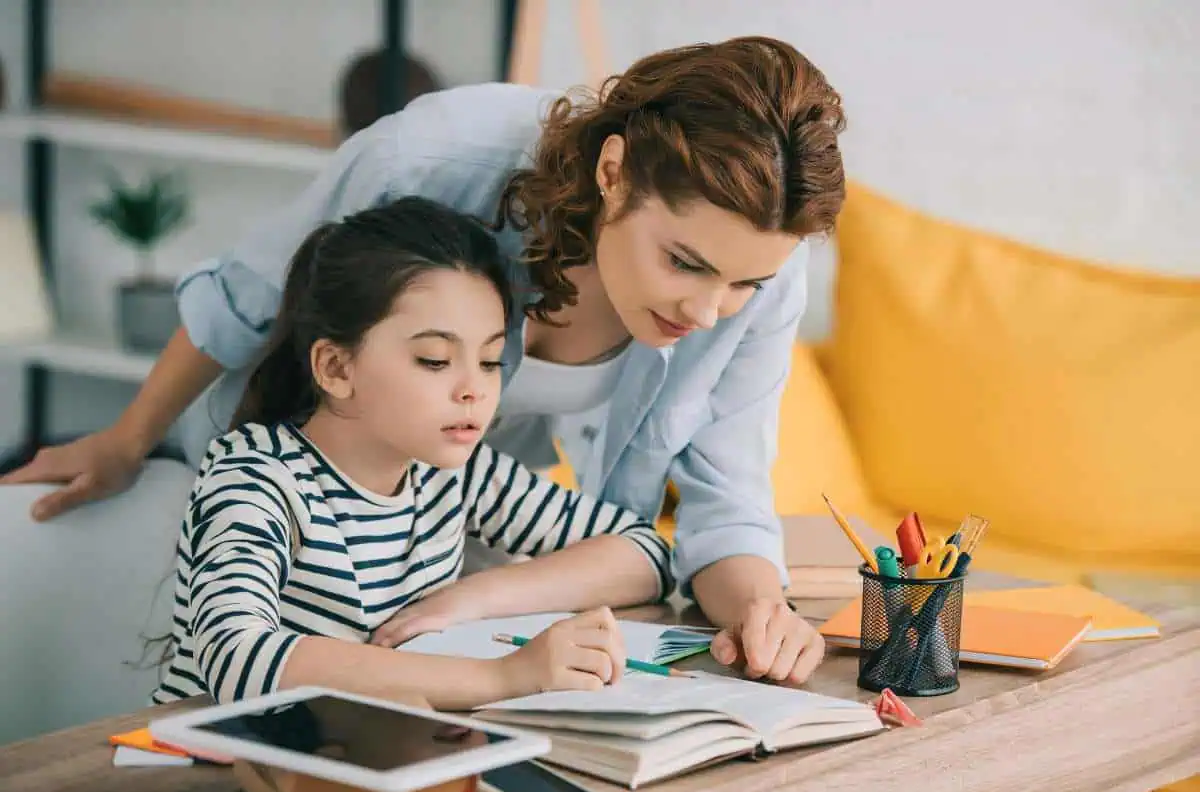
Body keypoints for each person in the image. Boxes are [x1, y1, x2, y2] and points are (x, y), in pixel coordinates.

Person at [4, 36, 846, 686]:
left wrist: (761, 610)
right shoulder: (438, 158)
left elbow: (707, 508)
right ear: (614, 173)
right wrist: (125, 440)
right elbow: (245, 302)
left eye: (745, 283)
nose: (707, 313)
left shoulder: (457, 465)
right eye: (686, 264)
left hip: (427, 559)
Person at [151, 196, 672, 710]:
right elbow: (238, 659)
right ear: (336, 368)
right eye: (434, 360)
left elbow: (646, 552)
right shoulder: (256, 472)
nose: (475, 390)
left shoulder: (454, 472)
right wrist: (505, 677)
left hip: (356, 760)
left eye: (491, 361)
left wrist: (470, 598)